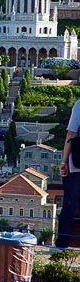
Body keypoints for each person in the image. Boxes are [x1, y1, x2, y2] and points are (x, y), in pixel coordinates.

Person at [56, 99, 80, 248]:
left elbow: (71, 134)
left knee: (69, 206)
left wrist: (64, 162)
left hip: (77, 165)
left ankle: (62, 246)